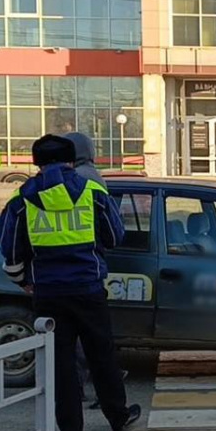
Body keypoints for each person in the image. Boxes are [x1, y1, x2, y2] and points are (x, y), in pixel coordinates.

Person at [0, 134, 140, 431]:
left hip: (48, 293)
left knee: (61, 363)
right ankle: (118, 417)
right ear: (71, 160)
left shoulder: (22, 200)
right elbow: (116, 236)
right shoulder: (92, 192)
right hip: (88, 289)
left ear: (35, 163)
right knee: (101, 354)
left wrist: (23, 280)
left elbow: (10, 252)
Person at [62, 132, 127, 409]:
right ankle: (110, 394)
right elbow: (113, 231)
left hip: (69, 273)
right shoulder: (93, 176)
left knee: (75, 343)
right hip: (89, 272)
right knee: (96, 339)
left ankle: (86, 391)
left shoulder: (79, 180)